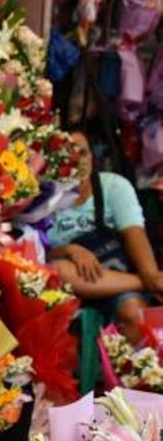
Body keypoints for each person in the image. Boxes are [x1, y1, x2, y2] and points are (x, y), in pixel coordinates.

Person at [47, 133, 161, 339]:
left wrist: (152, 276)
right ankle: (143, 283)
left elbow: (135, 234)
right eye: (69, 154)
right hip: (73, 287)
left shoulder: (112, 186)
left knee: (132, 310)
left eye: (83, 153)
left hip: (120, 281)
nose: (78, 161)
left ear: (92, 156)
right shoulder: (44, 201)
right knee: (57, 269)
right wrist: (69, 250)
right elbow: (39, 256)